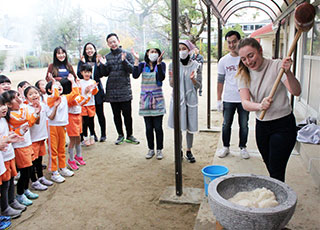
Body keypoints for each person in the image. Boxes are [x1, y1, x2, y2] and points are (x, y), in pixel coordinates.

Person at [237, 38, 301, 182]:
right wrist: (260, 106)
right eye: (243, 59)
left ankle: (279, 200)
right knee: (271, 167)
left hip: (283, 125)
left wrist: (288, 72)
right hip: (262, 126)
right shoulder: (243, 74)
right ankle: (279, 194)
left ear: (260, 50)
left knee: (276, 169)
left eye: (251, 55)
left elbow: (296, 91)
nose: (248, 61)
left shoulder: (277, 66)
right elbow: (245, 103)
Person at [98, 33, 139, 145]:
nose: (113, 44)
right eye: (110, 42)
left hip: (124, 89)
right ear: (108, 44)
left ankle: (130, 135)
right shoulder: (107, 56)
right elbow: (104, 74)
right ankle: (120, 135)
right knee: (116, 115)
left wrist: (124, 61)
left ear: (118, 41)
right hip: (112, 90)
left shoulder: (127, 54)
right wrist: (102, 65)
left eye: (114, 41)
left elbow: (132, 70)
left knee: (127, 115)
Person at [2, 90, 40, 206]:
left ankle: (24, 190)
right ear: (9, 104)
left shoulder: (21, 110)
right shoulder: (13, 115)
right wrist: (34, 112)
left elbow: (30, 120)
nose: (19, 99)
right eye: (15, 98)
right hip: (19, 147)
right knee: (24, 172)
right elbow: (27, 120)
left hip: (27, 144)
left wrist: (33, 112)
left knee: (28, 170)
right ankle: (19, 194)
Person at [216, 30, 250, 159]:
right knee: (226, 124)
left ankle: (243, 147)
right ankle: (226, 147)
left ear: (239, 41)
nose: (231, 45)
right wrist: (218, 99)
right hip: (229, 98)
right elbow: (220, 81)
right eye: (229, 42)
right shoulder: (223, 61)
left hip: (244, 98)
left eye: (234, 41)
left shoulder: (245, 58)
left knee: (244, 124)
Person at [168, 40, 201, 163]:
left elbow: (199, 86)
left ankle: (188, 150)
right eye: (179, 49)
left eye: (184, 48)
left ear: (189, 50)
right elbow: (171, 84)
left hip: (191, 99)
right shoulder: (173, 65)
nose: (181, 51)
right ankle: (179, 150)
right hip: (178, 99)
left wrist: (193, 80)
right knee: (178, 126)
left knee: (189, 126)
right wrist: (173, 77)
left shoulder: (196, 65)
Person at [132, 43, 166, 160]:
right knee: (148, 127)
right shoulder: (143, 65)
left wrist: (159, 64)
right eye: (151, 52)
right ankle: (151, 149)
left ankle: (159, 149)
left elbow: (161, 78)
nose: (153, 54)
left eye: (155, 52)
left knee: (158, 127)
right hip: (145, 99)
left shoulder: (162, 65)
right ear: (147, 53)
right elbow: (135, 75)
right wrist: (136, 60)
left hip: (157, 99)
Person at [45, 75, 78, 183]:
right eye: (55, 86)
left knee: (61, 148)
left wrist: (72, 81)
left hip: (62, 126)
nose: (58, 87)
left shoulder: (64, 98)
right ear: (50, 90)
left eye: (60, 86)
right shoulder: (50, 99)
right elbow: (54, 94)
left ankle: (62, 167)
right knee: (53, 149)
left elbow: (75, 93)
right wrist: (54, 82)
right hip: (52, 127)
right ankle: (54, 171)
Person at [0, 95, 26, 219]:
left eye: (3, 104)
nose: (3, 108)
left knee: (10, 180)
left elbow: (9, 135)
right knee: (4, 183)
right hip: (2, 158)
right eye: (0, 106)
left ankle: (12, 201)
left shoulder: (4, 119)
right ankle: (5, 207)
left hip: (9, 155)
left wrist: (19, 133)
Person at [25, 86, 54, 190]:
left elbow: (50, 117)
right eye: (30, 94)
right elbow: (32, 124)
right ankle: (34, 181)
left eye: (36, 93)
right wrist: (37, 112)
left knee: (39, 160)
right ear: (26, 97)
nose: (34, 95)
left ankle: (41, 177)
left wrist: (55, 105)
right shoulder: (27, 108)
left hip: (41, 137)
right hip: (32, 139)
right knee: (33, 161)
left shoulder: (43, 105)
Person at [77, 42, 106, 142]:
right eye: (87, 49)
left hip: (97, 90)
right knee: (88, 117)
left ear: (94, 49)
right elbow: (79, 75)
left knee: (100, 113)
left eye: (91, 49)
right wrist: (83, 63)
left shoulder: (97, 60)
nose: (89, 51)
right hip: (85, 93)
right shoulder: (82, 61)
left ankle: (103, 134)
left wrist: (99, 63)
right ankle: (93, 134)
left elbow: (102, 74)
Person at [79, 64, 99, 146]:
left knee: (91, 121)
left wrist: (93, 89)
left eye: (89, 72)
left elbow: (95, 93)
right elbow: (78, 93)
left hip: (91, 104)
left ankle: (92, 136)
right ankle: (85, 137)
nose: (87, 74)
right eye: (85, 72)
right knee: (85, 122)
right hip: (83, 105)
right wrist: (86, 91)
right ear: (81, 73)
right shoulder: (79, 82)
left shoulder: (93, 82)